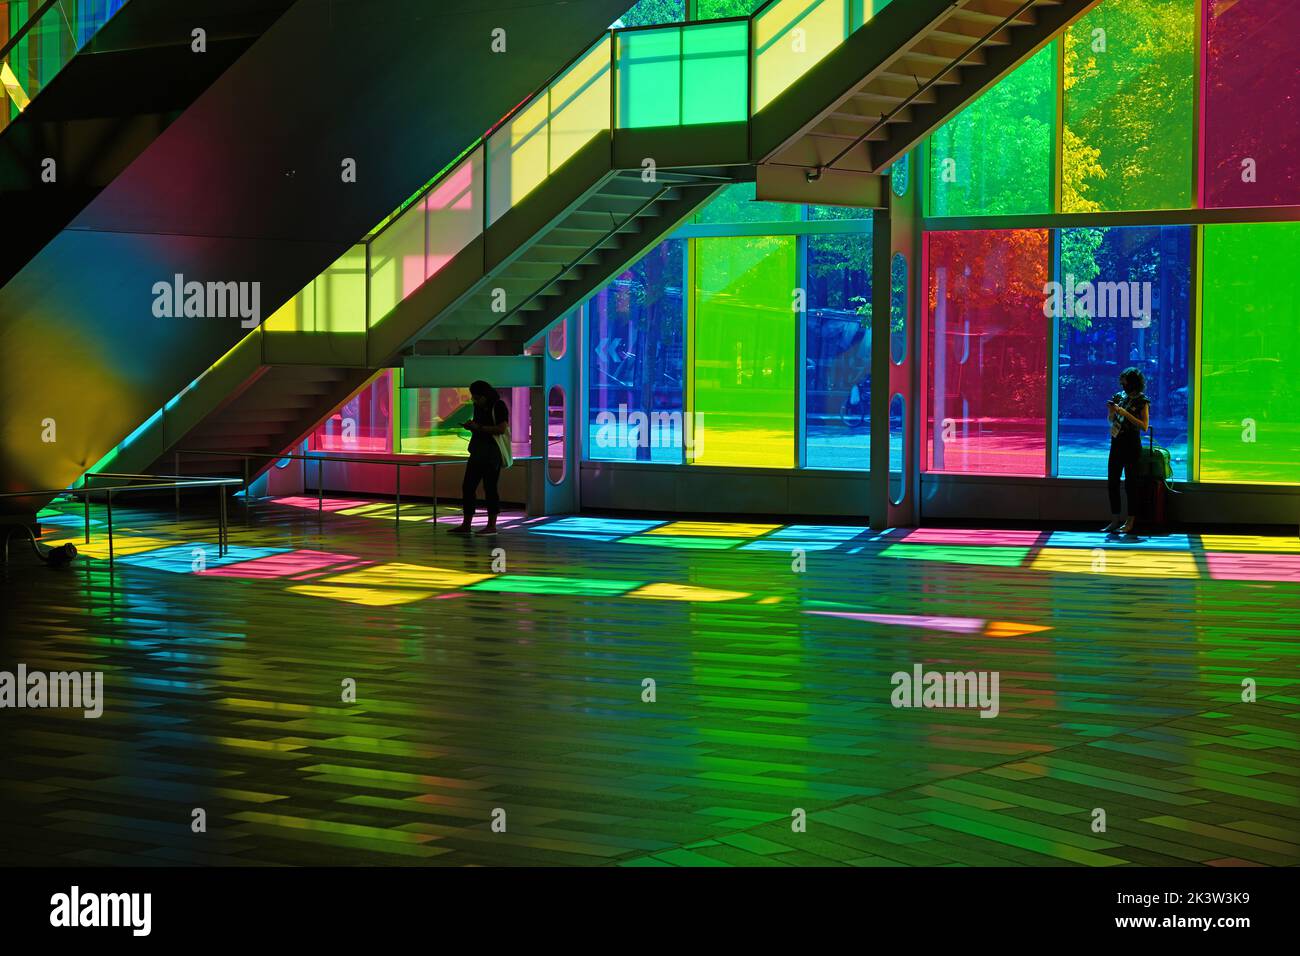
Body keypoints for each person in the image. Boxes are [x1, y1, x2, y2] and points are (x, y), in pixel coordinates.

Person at [447, 381, 509, 536]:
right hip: (478, 451)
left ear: (485, 395)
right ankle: (467, 524)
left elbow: (501, 429)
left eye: (477, 397)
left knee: (489, 487)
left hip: (491, 452)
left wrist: (478, 428)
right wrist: (473, 426)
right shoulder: (478, 406)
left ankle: (491, 525)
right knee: (468, 487)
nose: (474, 400)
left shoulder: (498, 406)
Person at [1101, 367, 1150, 537]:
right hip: (1116, 443)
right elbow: (1111, 421)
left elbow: (1143, 426)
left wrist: (1125, 413)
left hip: (1131, 444)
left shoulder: (1142, 401)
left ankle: (1130, 520)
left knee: (1131, 484)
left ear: (1133, 383)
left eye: (1125, 381)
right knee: (1112, 482)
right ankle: (1115, 519)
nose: (1122, 384)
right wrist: (1111, 412)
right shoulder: (1119, 396)